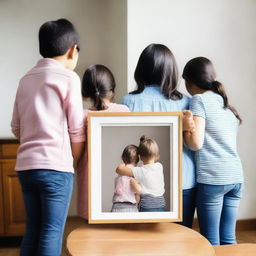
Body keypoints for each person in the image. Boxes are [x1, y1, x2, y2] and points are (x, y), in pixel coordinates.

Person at [11, 19, 85, 256]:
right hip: (55, 168)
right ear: (73, 50)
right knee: (51, 231)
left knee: (33, 229)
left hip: (26, 167)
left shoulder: (25, 79)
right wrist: (74, 159)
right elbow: (76, 128)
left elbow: (16, 127)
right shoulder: (69, 78)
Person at [120, 44, 196, 225]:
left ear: (141, 70)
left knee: (144, 239)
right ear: (171, 71)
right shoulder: (187, 102)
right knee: (180, 235)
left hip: (141, 187)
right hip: (184, 179)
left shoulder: (128, 101)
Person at [182, 57, 243, 245]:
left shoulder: (198, 100)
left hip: (214, 179)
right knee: (228, 239)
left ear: (188, 82)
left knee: (210, 240)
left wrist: (182, 128)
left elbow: (195, 143)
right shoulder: (224, 103)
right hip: (236, 177)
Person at [77, 64, 130, 219]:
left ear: (85, 94)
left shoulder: (81, 116)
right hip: (121, 179)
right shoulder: (124, 111)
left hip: (89, 183)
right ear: (112, 90)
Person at [116, 135, 166, 212]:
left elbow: (119, 169)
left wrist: (124, 161)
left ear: (140, 157)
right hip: (161, 204)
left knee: (144, 224)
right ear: (157, 155)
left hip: (147, 206)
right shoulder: (160, 167)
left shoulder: (139, 171)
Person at [111, 145, 141, 212]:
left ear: (122, 157)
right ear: (138, 159)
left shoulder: (120, 171)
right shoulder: (135, 172)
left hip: (116, 206)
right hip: (130, 207)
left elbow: (119, 167)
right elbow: (137, 198)